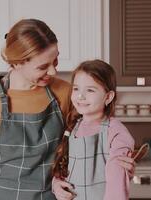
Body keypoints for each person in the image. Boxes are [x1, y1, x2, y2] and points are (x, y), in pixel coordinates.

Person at [0, 19, 135, 200]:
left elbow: (92, 134)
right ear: (17, 63)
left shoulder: (65, 92)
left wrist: (118, 163)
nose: (53, 72)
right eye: (43, 66)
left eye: (55, 61)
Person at [51, 60, 135, 200]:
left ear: (108, 97)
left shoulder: (115, 131)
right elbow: (63, 164)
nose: (80, 96)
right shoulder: (72, 126)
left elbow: (117, 176)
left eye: (90, 90)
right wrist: (56, 184)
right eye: (76, 89)